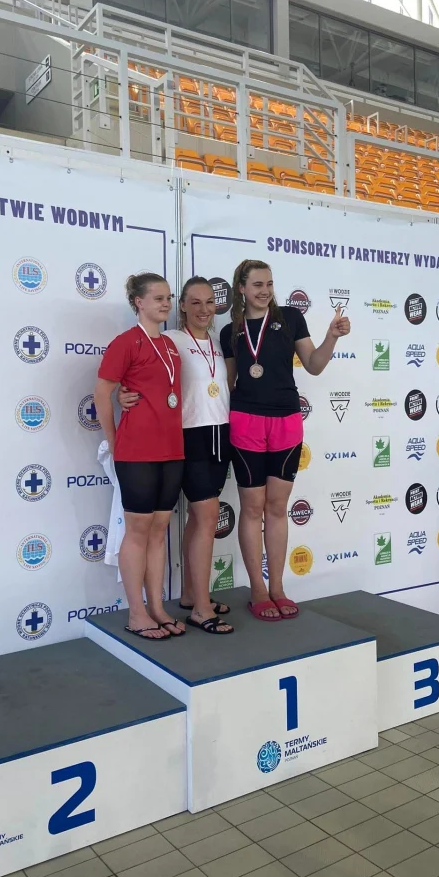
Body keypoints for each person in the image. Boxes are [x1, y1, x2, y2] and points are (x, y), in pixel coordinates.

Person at [221, 258, 351, 621]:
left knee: (277, 508)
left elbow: (314, 365)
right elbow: (227, 383)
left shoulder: (291, 318)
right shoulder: (230, 331)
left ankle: (277, 587)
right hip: (246, 421)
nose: (265, 291)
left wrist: (331, 337)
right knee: (252, 508)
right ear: (241, 288)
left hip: (286, 421)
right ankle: (257, 590)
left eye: (269, 284)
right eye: (257, 284)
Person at [119, 278, 234, 635]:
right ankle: (201, 608)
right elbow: (148, 378)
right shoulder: (171, 341)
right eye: (195, 302)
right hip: (188, 435)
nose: (204, 309)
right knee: (207, 516)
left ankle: (190, 594)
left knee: (200, 520)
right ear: (182, 305)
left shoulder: (218, 343)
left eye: (209, 302)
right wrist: (124, 393)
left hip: (220, 434)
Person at [94, 273, 186, 640]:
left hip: (172, 449)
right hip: (137, 451)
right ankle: (136, 613)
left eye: (168, 298)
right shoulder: (126, 342)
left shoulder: (170, 345)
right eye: (158, 298)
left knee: (159, 530)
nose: (166, 304)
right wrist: (114, 440)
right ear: (139, 302)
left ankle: (157, 607)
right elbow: (102, 393)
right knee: (137, 532)